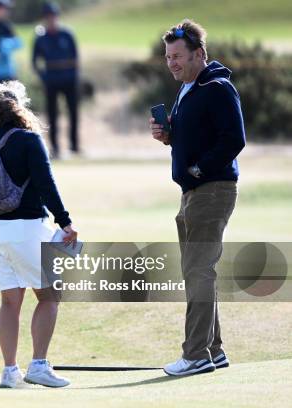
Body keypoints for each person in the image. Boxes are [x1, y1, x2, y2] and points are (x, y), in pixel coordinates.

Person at [150, 20, 246, 376]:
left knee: (198, 270)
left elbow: (234, 139)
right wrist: (168, 136)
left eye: (178, 56)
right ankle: (213, 351)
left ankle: (194, 356)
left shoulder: (218, 87)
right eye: (168, 57)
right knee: (197, 272)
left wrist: (198, 170)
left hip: (212, 190)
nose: (172, 63)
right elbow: (196, 136)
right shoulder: (188, 89)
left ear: (199, 54)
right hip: (192, 193)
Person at [0, 80, 78, 388]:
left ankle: (9, 371)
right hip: (24, 229)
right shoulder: (29, 140)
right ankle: (39, 366)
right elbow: (47, 185)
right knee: (49, 294)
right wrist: (65, 221)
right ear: (20, 107)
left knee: (10, 301)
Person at [32, 1, 80, 158]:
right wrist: (44, 77)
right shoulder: (40, 38)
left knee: (73, 113)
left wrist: (73, 75)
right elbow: (35, 61)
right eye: (48, 16)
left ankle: (74, 146)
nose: (51, 19)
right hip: (51, 80)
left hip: (68, 79)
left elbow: (75, 58)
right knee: (52, 115)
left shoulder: (67, 34)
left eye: (53, 16)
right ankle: (55, 147)